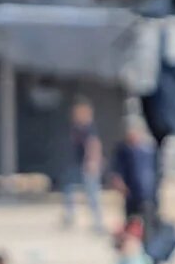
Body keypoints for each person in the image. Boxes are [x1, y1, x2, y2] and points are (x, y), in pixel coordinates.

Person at [111, 116, 160, 236]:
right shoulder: (123, 150)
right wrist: (119, 183)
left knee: (148, 222)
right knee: (131, 221)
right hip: (130, 193)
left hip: (147, 193)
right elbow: (117, 170)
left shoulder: (149, 149)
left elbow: (156, 171)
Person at [62, 99, 106, 233]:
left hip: (88, 165)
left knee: (92, 195)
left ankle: (98, 223)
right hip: (77, 164)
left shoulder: (89, 129)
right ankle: (70, 217)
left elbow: (94, 145)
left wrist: (93, 162)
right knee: (69, 189)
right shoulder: (77, 128)